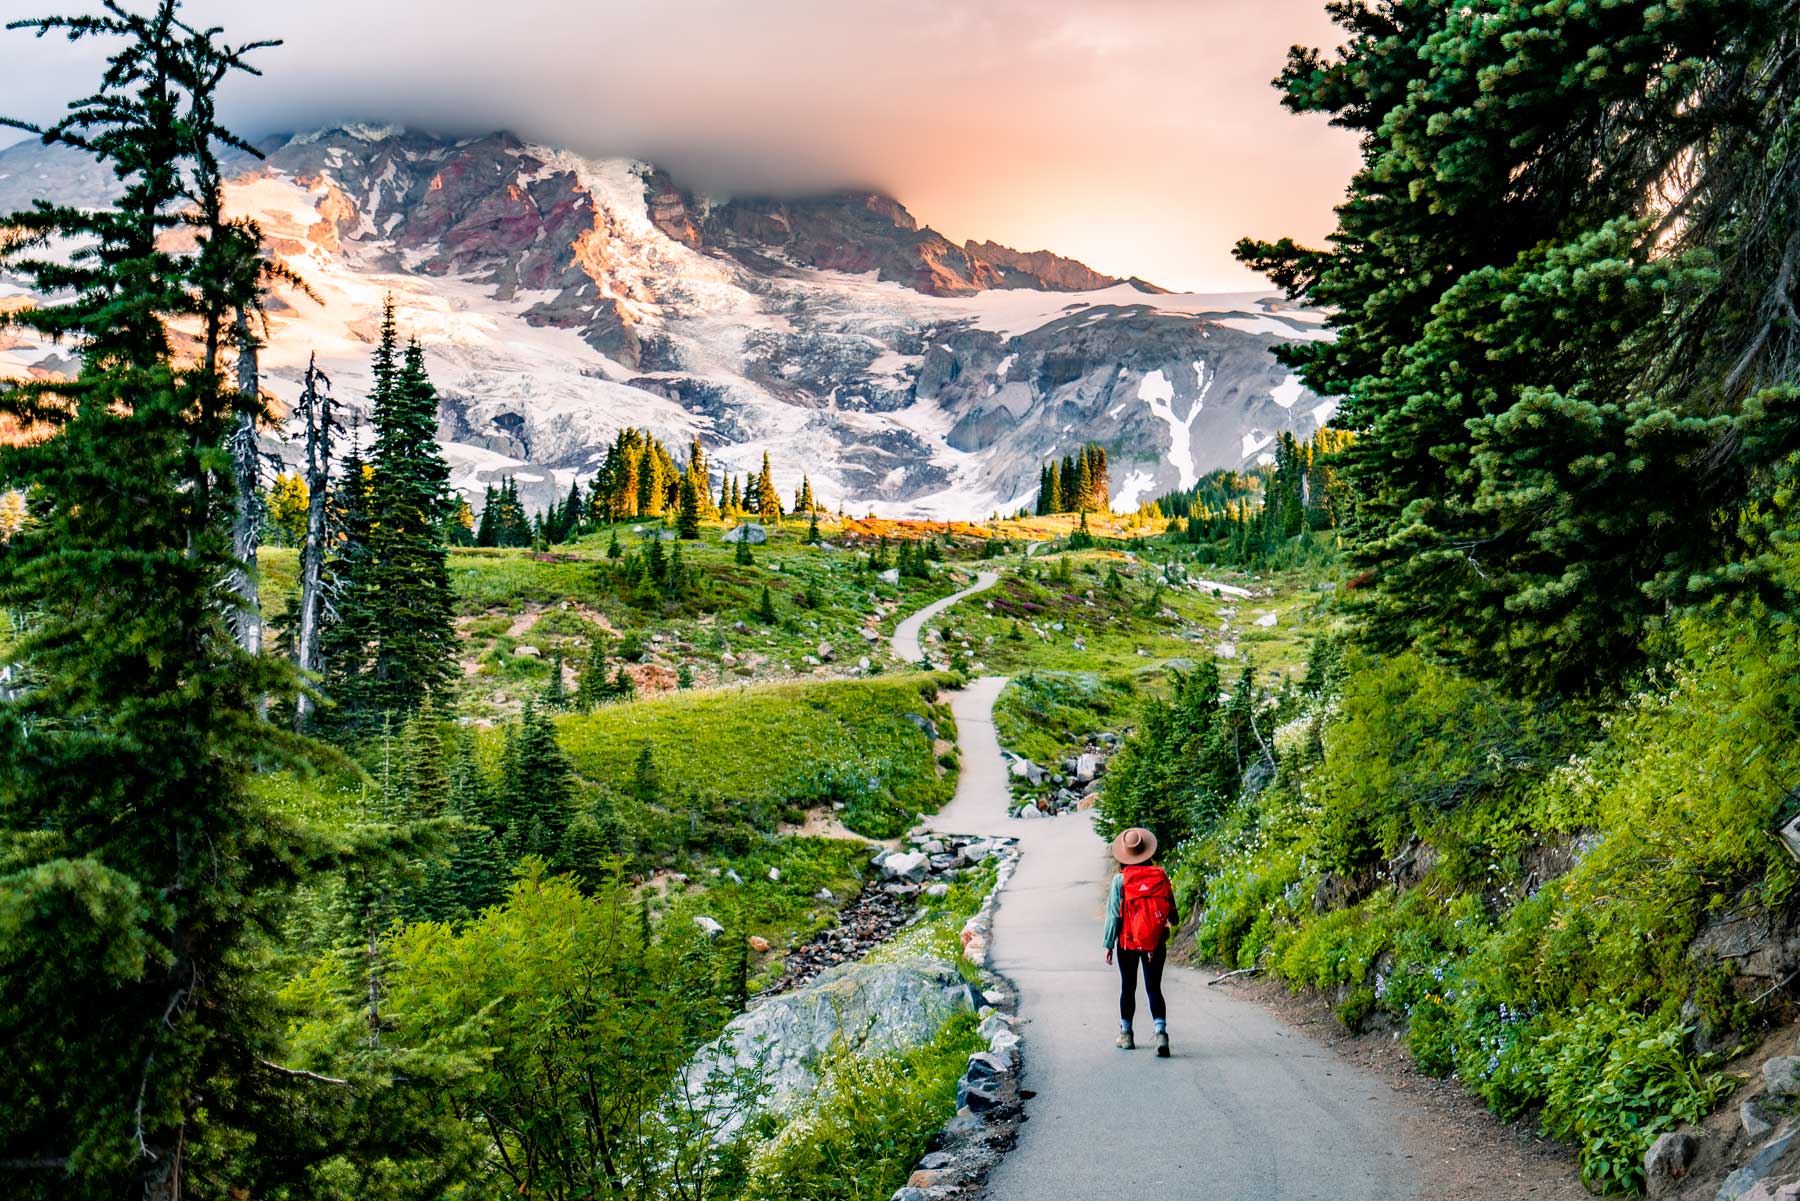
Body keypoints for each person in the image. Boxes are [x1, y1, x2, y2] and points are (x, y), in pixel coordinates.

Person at [1102, 826, 1176, 1056]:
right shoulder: (1160, 875)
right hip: (1155, 943)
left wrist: (1108, 944)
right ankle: (1161, 1033)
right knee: (1154, 987)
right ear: (1147, 852)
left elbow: (1114, 916)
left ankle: (1126, 1034)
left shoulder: (1120, 880)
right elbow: (1173, 913)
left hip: (1128, 943)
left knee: (1128, 987)